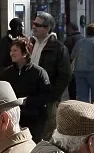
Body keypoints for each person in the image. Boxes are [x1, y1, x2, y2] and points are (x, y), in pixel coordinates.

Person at [0, 38, 51, 143]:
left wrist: (28, 100)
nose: (12, 53)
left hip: (34, 119)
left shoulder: (39, 73)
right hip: (13, 119)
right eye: (11, 50)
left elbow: (45, 96)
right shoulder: (6, 74)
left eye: (15, 50)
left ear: (25, 53)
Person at [30, 11, 71, 140]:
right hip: (32, 96)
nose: (34, 27)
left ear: (47, 28)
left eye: (38, 24)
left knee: (48, 132)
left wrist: (53, 95)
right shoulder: (31, 44)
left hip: (48, 98)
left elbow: (65, 75)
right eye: (33, 23)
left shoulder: (58, 48)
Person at [64, 22, 83, 100]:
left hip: (72, 66)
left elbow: (66, 54)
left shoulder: (69, 39)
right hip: (82, 66)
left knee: (72, 86)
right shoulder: (83, 37)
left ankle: (73, 101)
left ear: (71, 29)